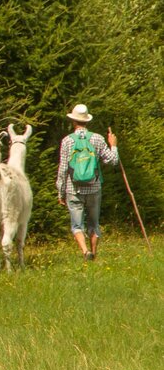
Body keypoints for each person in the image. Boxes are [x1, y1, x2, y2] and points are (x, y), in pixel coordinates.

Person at [56, 104, 119, 261]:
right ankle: (94, 255)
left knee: (77, 225)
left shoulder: (67, 141)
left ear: (73, 121)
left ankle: (85, 252)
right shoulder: (97, 139)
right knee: (94, 224)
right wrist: (114, 146)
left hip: (73, 188)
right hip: (94, 188)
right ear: (87, 121)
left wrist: (60, 191)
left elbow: (63, 168)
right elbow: (113, 161)